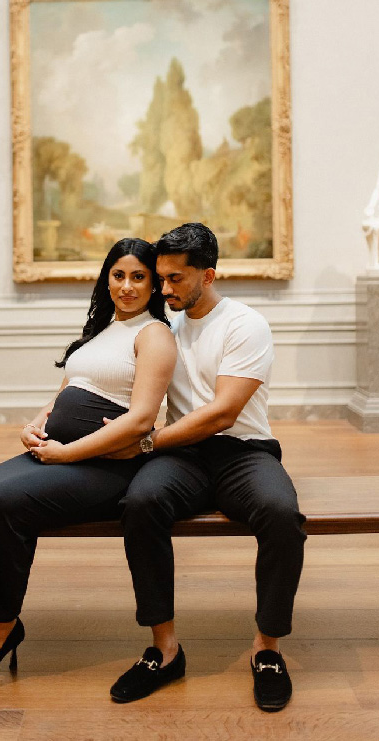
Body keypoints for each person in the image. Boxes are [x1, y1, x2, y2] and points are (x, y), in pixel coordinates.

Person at [0, 237, 176, 703]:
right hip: (58, 454)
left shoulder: (154, 335)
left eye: (138, 277)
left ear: (153, 284)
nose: (127, 286)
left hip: (107, 468)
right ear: (107, 278)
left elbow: (141, 419)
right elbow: (70, 388)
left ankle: (0, 626)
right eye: (119, 275)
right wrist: (36, 423)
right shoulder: (102, 331)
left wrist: (69, 453)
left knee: (1, 501)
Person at [107, 222, 306, 713]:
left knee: (282, 515)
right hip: (182, 456)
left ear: (208, 275)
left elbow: (222, 413)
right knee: (141, 502)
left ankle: (268, 649)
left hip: (243, 451)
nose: (165, 288)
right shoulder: (161, 325)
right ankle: (165, 649)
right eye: (161, 278)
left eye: (175, 279)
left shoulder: (245, 324)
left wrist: (145, 443)